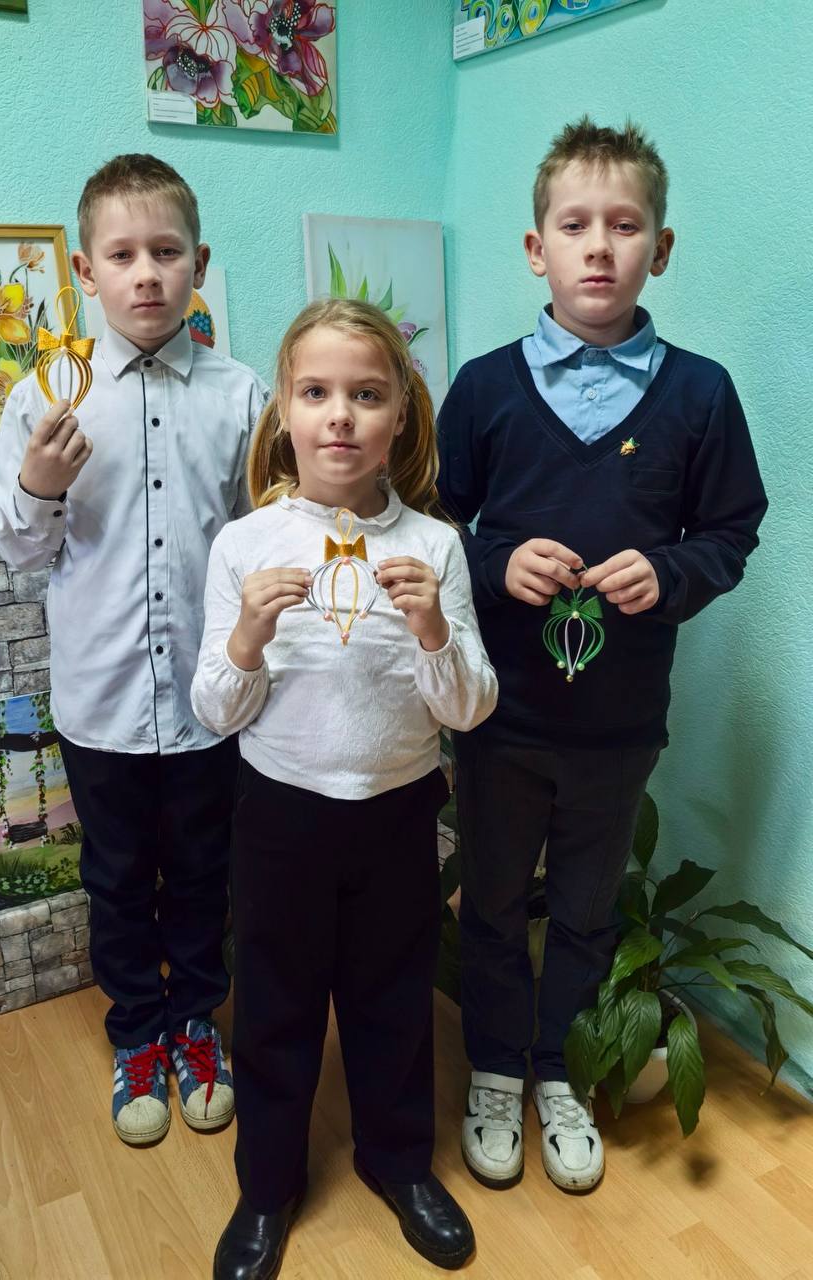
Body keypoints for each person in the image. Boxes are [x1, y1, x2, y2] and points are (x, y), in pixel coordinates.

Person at [436, 117, 767, 1194]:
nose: (598, 246)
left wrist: (669, 573)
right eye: (574, 225)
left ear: (659, 250)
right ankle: (495, 1065)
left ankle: (560, 1070)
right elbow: (431, 528)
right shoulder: (484, 389)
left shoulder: (701, 394)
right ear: (537, 248)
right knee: (492, 902)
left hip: (619, 726)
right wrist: (495, 562)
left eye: (624, 226)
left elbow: (731, 531)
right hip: (499, 718)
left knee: (584, 908)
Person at [191, 298, 497, 1279]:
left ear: (400, 414)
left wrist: (434, 630)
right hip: (280, 813)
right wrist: (247, 636)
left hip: (399, 811)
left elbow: (469, 709)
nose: (340, 415)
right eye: (316, 392)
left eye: (366, 395)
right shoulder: (245, 545)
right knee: (274, 1004)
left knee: (393, 997)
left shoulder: (436, 547)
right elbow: (215, 710)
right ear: (284, 410)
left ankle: (398, 1161)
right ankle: (266, 1186)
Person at [0, 153, 268, 1147]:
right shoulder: (45, 398)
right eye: (121, 255)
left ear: (199, 263)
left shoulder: (242, 396)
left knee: (201, 870)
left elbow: (262, 538)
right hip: (100, 701)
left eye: (166, 251)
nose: (146, 273)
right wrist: (37, 482)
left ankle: (196, 1022)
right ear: (84, 270)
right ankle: (137, 1032)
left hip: (207, 698)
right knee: (114, 877)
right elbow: (19, 551)